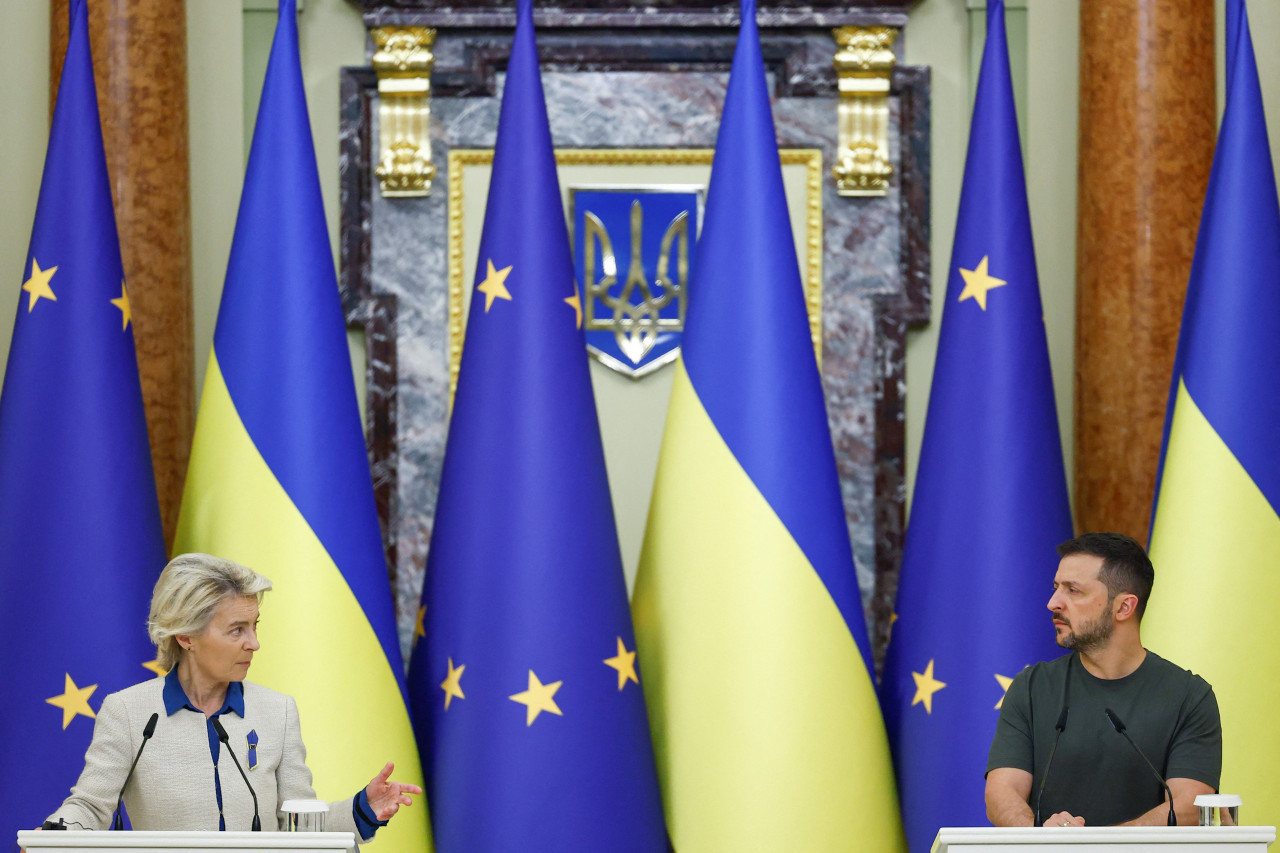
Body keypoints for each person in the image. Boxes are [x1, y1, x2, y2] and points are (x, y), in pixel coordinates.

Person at [45, 553, 421, 835]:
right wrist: (54, 836)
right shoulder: (129, 712)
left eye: (254, 626)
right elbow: (89, 807)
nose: (254, 644)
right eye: (237, 630)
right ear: (186, 635)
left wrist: (363, 809)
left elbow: (300, 825)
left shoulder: (278, 712)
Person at [985, 532, 1221, 828]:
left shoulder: (1189, 696)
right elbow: (1001, 792)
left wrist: (1099, 844)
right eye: (1056, 587)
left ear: (1123, 607)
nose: (1052, 603)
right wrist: (1039, 835)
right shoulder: (1032, 687)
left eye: (1073, 591)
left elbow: (1189, 805)